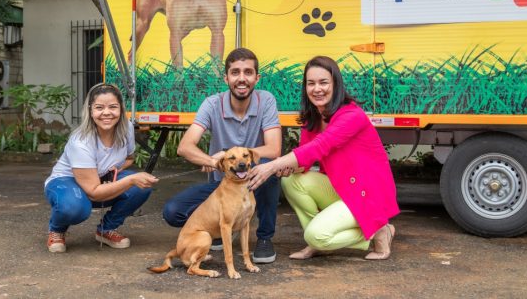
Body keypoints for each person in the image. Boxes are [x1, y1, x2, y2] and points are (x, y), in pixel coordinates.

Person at [248, 56, 400, 260]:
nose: (317, 89)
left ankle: (379, 231)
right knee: (291, 181)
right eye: (311, 83)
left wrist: (271, 166)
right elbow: (306, 159)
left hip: (367, 193)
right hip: (343, 187)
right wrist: (289, 168)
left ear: (335, 84)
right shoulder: (314, 118)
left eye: (323, 82)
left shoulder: (351, 115)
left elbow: (320, 146)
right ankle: (321, 240)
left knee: (316, 235)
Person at [163, 48, 282, 263]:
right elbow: (185, 147)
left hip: (253, 181)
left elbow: (274, 149)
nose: (242, 78)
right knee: (173, 212)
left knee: (271, 171)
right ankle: (218, 230)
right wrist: (214, 161)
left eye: (248, 72)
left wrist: (236, 155)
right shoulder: (212, 103)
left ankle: (264, 238)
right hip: (222, 186)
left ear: (257, 77)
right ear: (226, 77)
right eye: (235, 72)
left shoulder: (266, 100)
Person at [44, 83, 159, 253]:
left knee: (141, 188)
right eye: (99, 107)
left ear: (121, 109)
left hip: (98, 179)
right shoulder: (81, 141)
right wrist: (129, 180)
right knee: (74, 208)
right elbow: (93, 192)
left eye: (113, 107)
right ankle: (57, 230)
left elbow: (129, 158)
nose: (106, 113)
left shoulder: (126, 127)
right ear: (90, 110)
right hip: (65, 181)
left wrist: (112, 173)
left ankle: (106, 229)